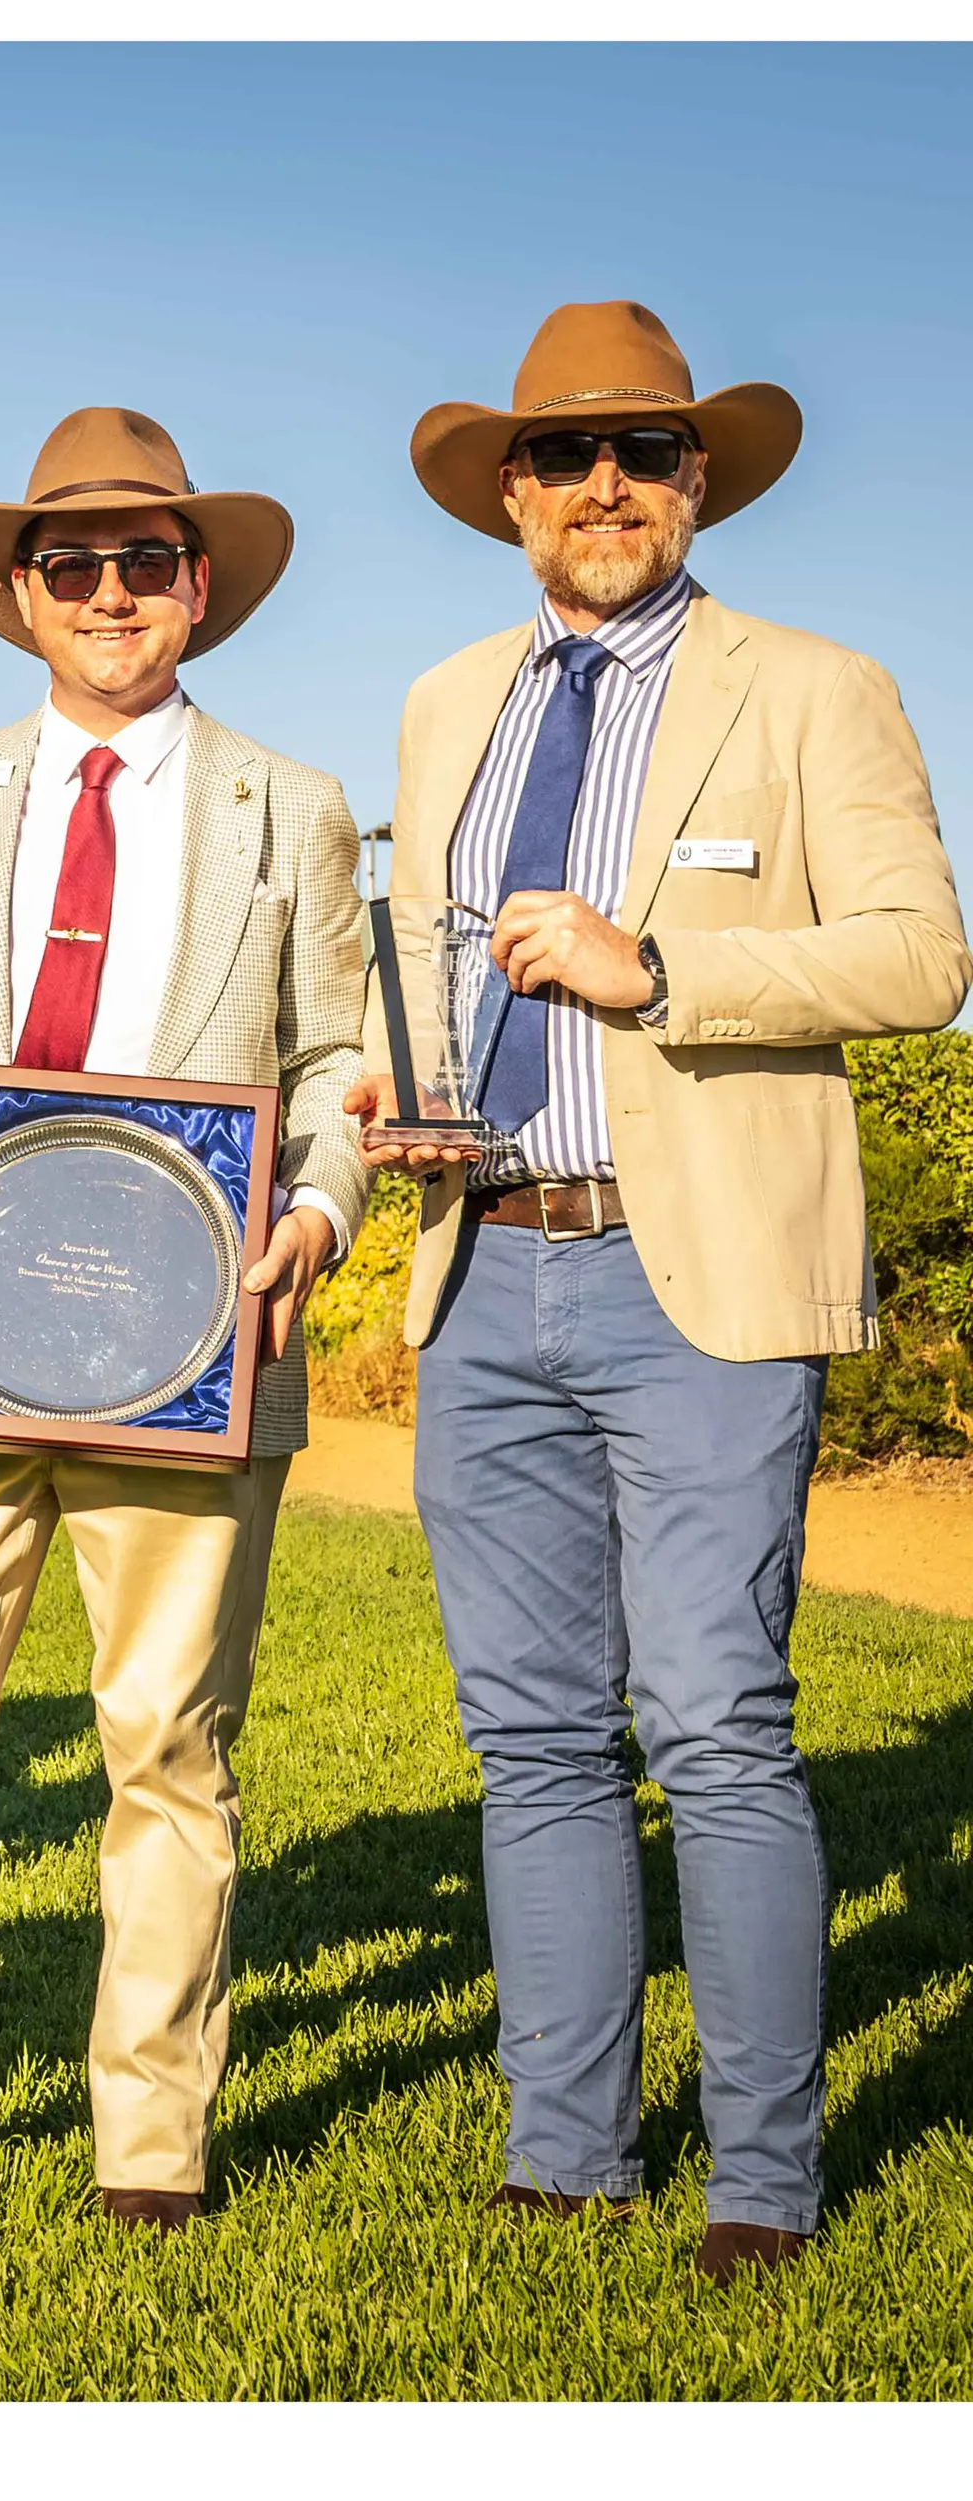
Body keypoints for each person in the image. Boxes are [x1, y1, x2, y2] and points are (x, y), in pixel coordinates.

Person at [353, 303, 969, 2281]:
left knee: (715, 1722)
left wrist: (666, 973)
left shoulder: (816, 688)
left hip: (696, 1280)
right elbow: (430, 964)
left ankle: (766, 2184)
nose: (602, 484)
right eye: (565, 453)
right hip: (481, 1272)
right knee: (535, 1737)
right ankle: (567, 2155)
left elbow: (922, 956)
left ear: (698, 479)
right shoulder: (448, 701)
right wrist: (397, 1092)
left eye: (643, 450)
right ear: (510, 493)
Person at [0, 409, 366, 2237]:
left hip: (196, 1343)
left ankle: (152, 2152)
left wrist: (318, 1205)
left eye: (145, 562)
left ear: (198, 587)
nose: (110, 592)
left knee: (166, 1745)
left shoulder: (295, 804)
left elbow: (341, 1060)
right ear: (23, 597)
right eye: (72, 564)